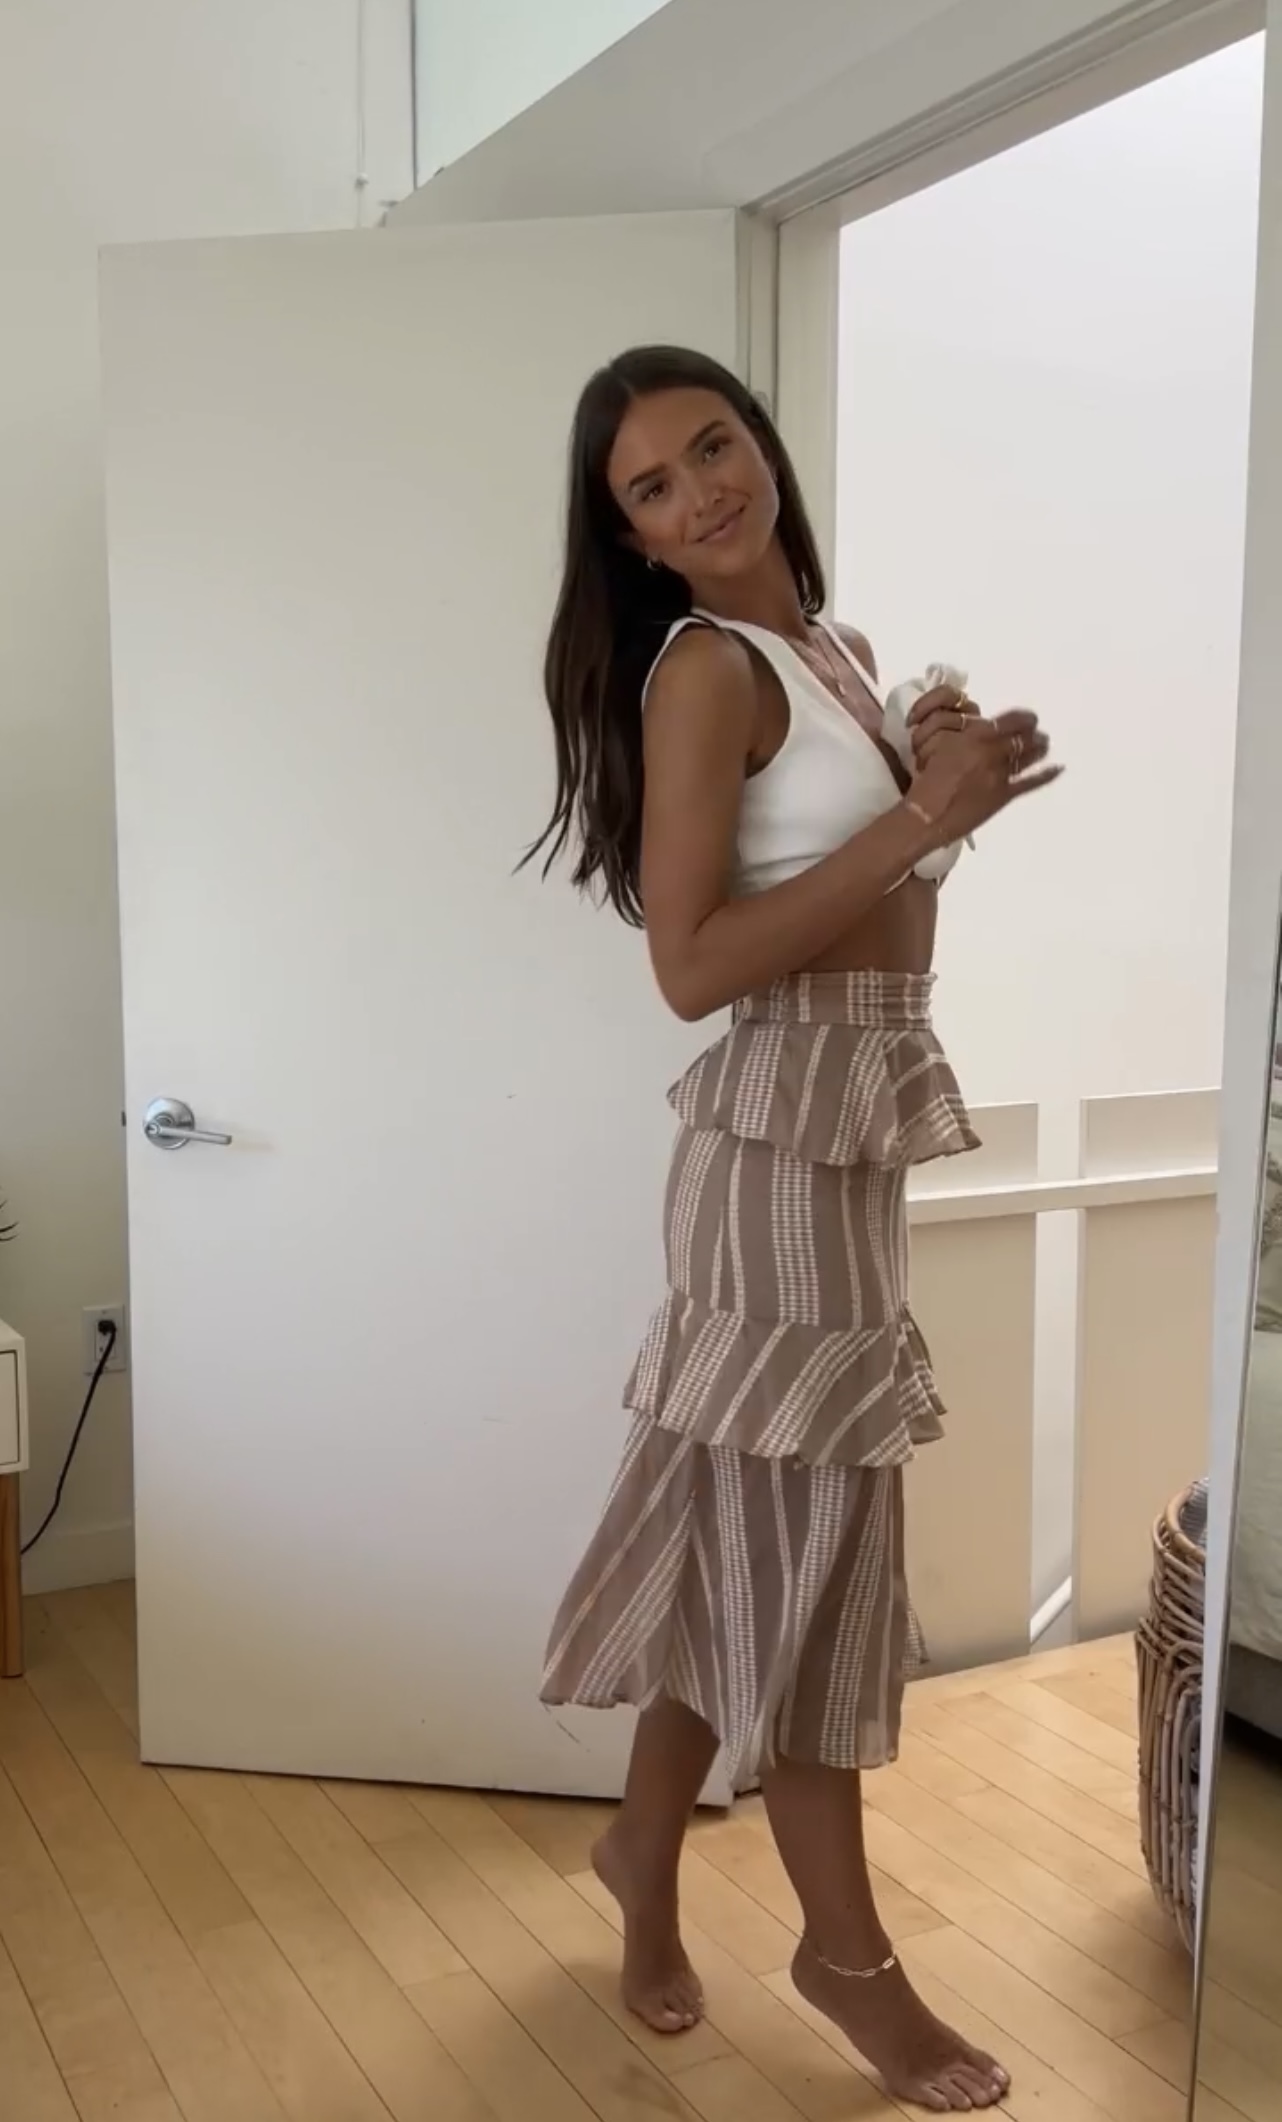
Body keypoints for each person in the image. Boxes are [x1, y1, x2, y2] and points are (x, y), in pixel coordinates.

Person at [530, 344, 1059, 2114]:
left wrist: (947, 772)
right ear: (632, 539)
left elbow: (871, 884)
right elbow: (690, 967)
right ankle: (846, 1955)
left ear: (759, 445)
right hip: (773, 1144)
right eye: (651, 487)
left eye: (713, 446)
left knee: (746, 1538)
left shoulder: (828, 646)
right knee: (809, 1549)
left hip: (848, 1127)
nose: (700, 492)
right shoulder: (702, 671)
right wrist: (919, 814)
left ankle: (641, 1850)